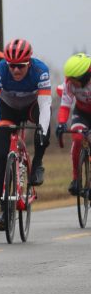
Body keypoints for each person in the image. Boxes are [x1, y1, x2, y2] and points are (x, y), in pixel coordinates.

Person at [0, 38, 51, 230]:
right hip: (8, 108)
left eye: (20, 66)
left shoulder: (40, 70)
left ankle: (37, 163)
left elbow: (45, 106)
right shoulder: (0, 70)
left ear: (29, 62)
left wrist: (42, 131)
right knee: (2, 155)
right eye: (12, 66)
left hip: (31, 107)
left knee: (44, 130)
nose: (16, 70)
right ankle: (4, 208)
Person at [56, 53, 91, 196]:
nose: (70, 82)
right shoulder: (69, 84)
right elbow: (65, 106)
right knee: (77, 138)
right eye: (68, 79)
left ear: (84, 76)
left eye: (73, 79)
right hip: (81, 112)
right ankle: (76, 178)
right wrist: (61, 124)